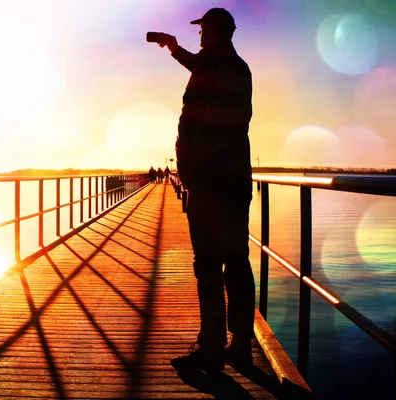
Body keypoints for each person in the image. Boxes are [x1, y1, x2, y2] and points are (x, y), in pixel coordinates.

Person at [154, 8, 255, 373]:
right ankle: (241, 342)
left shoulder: (212, 68)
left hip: (210, 185)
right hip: (234, 182)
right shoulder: (236, 66)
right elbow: (201, 64)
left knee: (209, 265)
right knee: (237, 262)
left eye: (200, 29)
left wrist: (188, 173)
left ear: (210, 31)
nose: (197, 34)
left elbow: (194, 122)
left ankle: (211, 348)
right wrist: (175, 49)